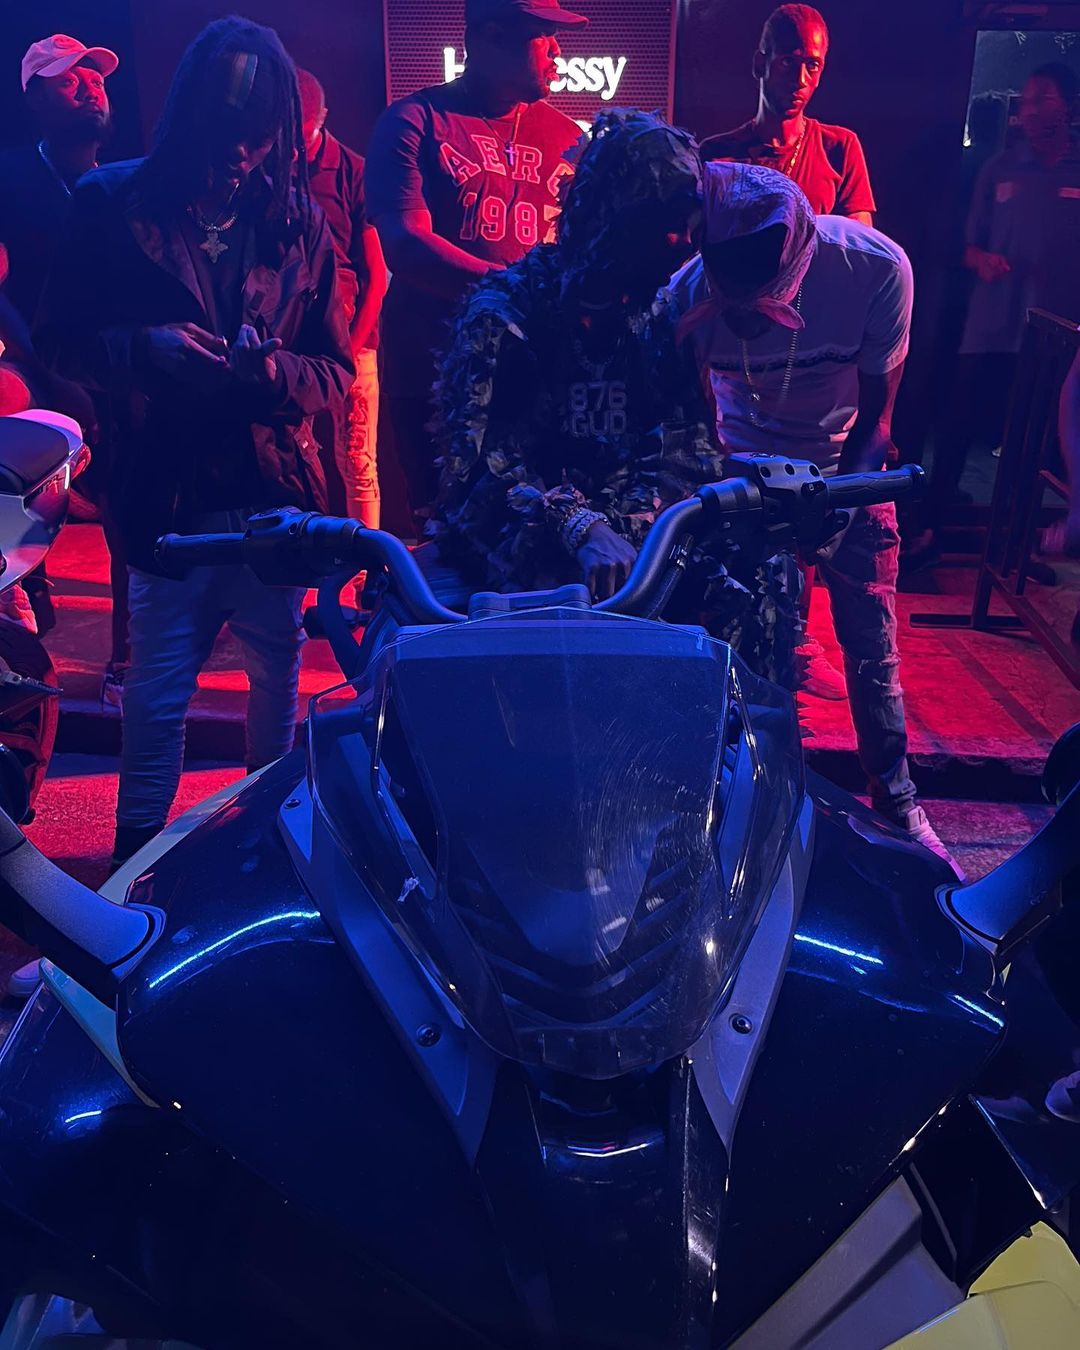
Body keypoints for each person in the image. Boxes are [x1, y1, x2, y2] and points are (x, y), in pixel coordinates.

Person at [36, 17, 353, 870]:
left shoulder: (298, 221)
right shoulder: (111, 202)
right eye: (224, 132)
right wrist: (145, 350)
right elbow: (58, 341)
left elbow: (334, 373)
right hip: (165, 498)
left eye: (260, 137)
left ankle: (262, 871)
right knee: (155, 704)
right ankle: (133, 890)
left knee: (275, 696)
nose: (240, 156)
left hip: (271, 501)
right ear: (186, 116)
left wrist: (270, 373)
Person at [434, 110, 801, 685]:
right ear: (611, 217)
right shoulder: (506, 316)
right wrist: (577, 524)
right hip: (531, 541)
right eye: (662, 224)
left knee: (766, 572)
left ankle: (733, 734)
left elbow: (687, 445)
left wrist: (633, 524)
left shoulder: (658, 314)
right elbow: (475, 473)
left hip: (638, 536)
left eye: (688, 224)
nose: (682, 243)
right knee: (564, 607)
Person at [670, 160, 959, 873]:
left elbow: (877, 421)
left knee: (871, 643)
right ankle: (741, 795)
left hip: (847, 467)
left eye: (760, 305)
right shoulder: (683, 295)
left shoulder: (875, 268)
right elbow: (689, 429)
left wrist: (834, 509)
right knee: (737, 648)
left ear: (797, 267)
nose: (743, 320)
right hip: (741, 473)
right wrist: (729, 495)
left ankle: (895, 798)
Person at [365, 0, 585, 533]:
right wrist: (517, 290)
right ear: (490, 37)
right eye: (542, 35)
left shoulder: (570, 139)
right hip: (435, 378)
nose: (557, 50)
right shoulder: (414, 120)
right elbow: (407, 245)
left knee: (535, 537)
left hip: (532, 380)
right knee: (448, 539)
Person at [0, 34, 118, 643]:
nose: (90, 89)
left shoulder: (124, 184)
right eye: (70, 81)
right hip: (30, 364)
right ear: (34, 99)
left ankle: (131, 647)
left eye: (95, 80)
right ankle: (16, 586)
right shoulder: (10, 176)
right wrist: (49, 368)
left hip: (110, 371)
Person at [928, 64, 1080, 528]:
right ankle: (931, 527)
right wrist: (982, 260)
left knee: (1034, 441)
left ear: (1068, 107)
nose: (1029, 111)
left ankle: (1017, 540)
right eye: (1026, 101)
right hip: (991, 324)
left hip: (1055, 334)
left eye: (1042, 100)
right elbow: (965, 246)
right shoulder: (999, 168)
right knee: (958, 425)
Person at [298, 68, 387, 557]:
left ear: (324, 119)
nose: (295, 148)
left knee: (357, 460)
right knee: (294, 455)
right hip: (294, 343)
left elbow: (377, 275)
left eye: (305, 134)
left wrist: (351, 350)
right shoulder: (269, 170)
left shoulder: (354, 171)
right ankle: (301, 560)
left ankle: (370, 572)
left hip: (351, 338)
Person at [700, 5, 875, 223]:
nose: (800, 79)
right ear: (760, 65)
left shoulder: (840, 148)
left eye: (812, 65)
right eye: (787, 62)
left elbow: (858, 239)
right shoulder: (715, 156)